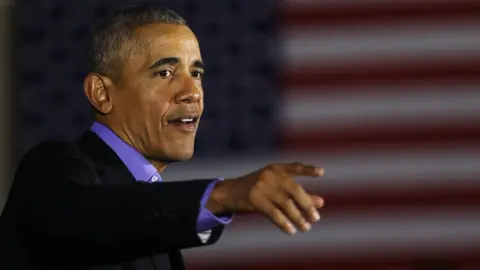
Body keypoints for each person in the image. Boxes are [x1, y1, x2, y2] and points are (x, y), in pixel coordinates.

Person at [0, 5, 325, 270]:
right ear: (101, 94)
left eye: (196, 73)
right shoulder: (53, 168)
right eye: (165, 73)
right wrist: (222, 195)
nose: (191, 92)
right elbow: (86, 219)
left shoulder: (154, 219)